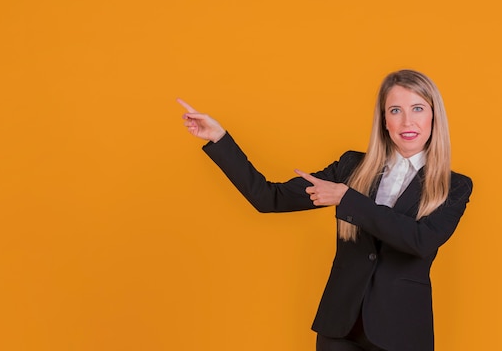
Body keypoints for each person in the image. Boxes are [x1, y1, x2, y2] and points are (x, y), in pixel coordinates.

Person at [177, 70, 472, 351]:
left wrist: (348, 199)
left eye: (418, 108)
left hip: (402, 333)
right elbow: (269, 198)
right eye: (395, 110)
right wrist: (219, 138)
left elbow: (420, 241)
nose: (407, 121)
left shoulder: (454, 185)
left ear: (434, 115)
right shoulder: (351, 167)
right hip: (339, 330)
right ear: (384, 120)